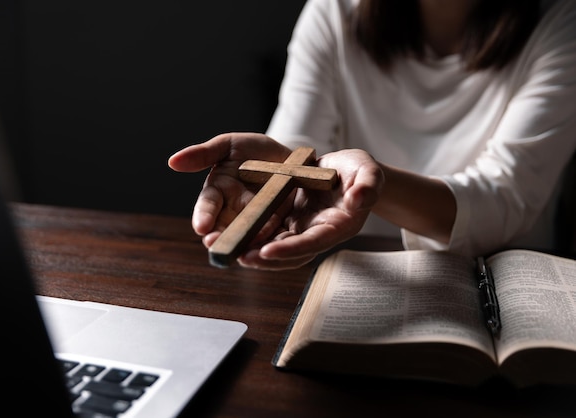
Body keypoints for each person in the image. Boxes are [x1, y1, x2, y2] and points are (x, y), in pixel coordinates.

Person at [168, 0, 576, 270]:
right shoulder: (334, 11)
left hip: (499, 283)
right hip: (353, 274)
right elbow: (293, 152)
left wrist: (373, 181)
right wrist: (274, 172)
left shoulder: (561, 20)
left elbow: (506, 198)